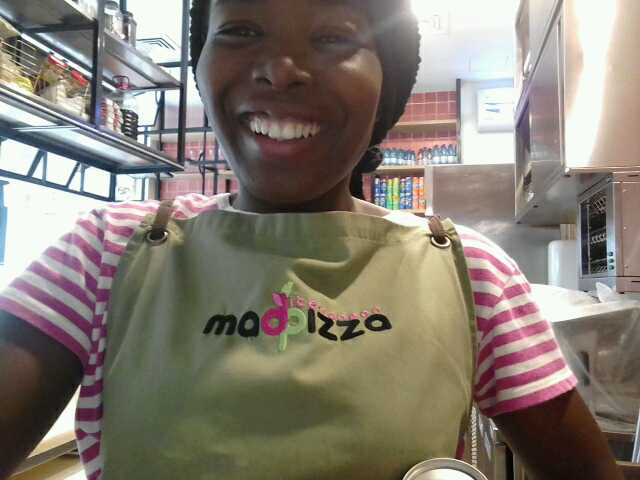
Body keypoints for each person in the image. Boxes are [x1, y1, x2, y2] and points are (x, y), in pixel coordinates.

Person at [0, 0, 623, 479]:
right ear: (201, 64)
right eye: (242, 30)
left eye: (331, 38)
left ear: (387, 84)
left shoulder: (473, 274)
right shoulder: (100, 256)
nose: (280, 70)